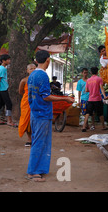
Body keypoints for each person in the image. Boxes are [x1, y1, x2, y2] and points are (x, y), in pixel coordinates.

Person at [26, 50, 74, 182]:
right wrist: (65, 99)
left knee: (40, 141)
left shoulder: (32, 75)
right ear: (47, 60)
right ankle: (33, 171)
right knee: (40, 143)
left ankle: (38, 169)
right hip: (41, 114)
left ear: (36, 60)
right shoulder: (42, 76)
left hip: (36, 112)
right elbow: (46, 96)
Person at [82, 67, 108, 132]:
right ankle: (103, 126)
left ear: (91, 72)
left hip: (90, 99)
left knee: (87, 113)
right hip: (97, 99)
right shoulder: (99, 79)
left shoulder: (88, 80)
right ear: (97, 72)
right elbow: (102, 88)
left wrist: (91, 90)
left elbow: (86, 90)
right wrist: (104, 96)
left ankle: (83, 127)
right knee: (100, 113)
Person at [18, 63, 37, 146]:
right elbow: (20, 91)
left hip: (36, 101)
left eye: (34, 68)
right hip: (26, 102)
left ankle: (35, 138)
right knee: (26, 120)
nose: (32, 70)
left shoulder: (39, 79)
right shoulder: (24, 80)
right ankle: (29, 139)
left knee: (35, 120)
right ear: (27, 71)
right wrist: (28, 96)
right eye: (31, 69)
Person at [0, 54, 15, 126]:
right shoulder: (2, 68)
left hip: (2, 88)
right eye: (8, 59)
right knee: (9, 104)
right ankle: (9, 120)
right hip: (2, 89)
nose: (9, 61)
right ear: (3, 61)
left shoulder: (2, 68)